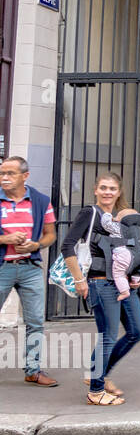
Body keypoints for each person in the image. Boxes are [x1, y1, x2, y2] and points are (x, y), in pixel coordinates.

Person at [62, 173, 140, 406]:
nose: (108, 192)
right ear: (95, 190)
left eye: (112, 189)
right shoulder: (90, 213)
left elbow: (134, 249)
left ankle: (97, 375)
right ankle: (96, 391)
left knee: (137, 331)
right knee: (107, 337)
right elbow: (67, 246)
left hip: (125, 283)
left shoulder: (122, 217)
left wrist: (139, 272)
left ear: (119, 192)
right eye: (103, 188)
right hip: (100, 282)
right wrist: (79, 280)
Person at [0, 156, 58, 387]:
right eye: (2, 173)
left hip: (30, 268)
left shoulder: (41, 201)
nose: (4, 178)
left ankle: (33, 370)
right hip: (3, 266)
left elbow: (50, 234)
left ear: (25, 176)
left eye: (10, 173)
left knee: (35, 321)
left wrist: (36, 245)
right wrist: (6, 239)